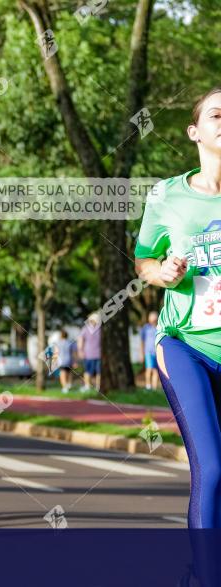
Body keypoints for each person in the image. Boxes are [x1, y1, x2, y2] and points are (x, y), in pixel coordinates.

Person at [134, 86, 221, 529]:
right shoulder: (167, 194)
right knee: (212, 467)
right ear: (194, 132)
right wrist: (162, 272)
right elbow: (144, 259)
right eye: (217, 116)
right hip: (186, 345)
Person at [77, 314, 101, 391]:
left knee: (96, 371)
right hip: (90, 354)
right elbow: (80, 340)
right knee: (90, 371)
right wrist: (80, 351)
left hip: (95, 354)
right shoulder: (87, 329)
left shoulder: (97, 329)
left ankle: (95, 386)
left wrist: (80, 350)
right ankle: (90, 386)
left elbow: (80, 340)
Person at [140, 311, 160, 391]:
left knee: (156, 371)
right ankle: (148, 387)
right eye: (151, 317)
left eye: (154, 317)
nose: (153, 319)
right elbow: (142, 341)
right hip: (148, 352)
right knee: (149, 369)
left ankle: (154, 389)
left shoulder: (159, 327)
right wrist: (141, 353)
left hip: (157, 353)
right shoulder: (146, 328)